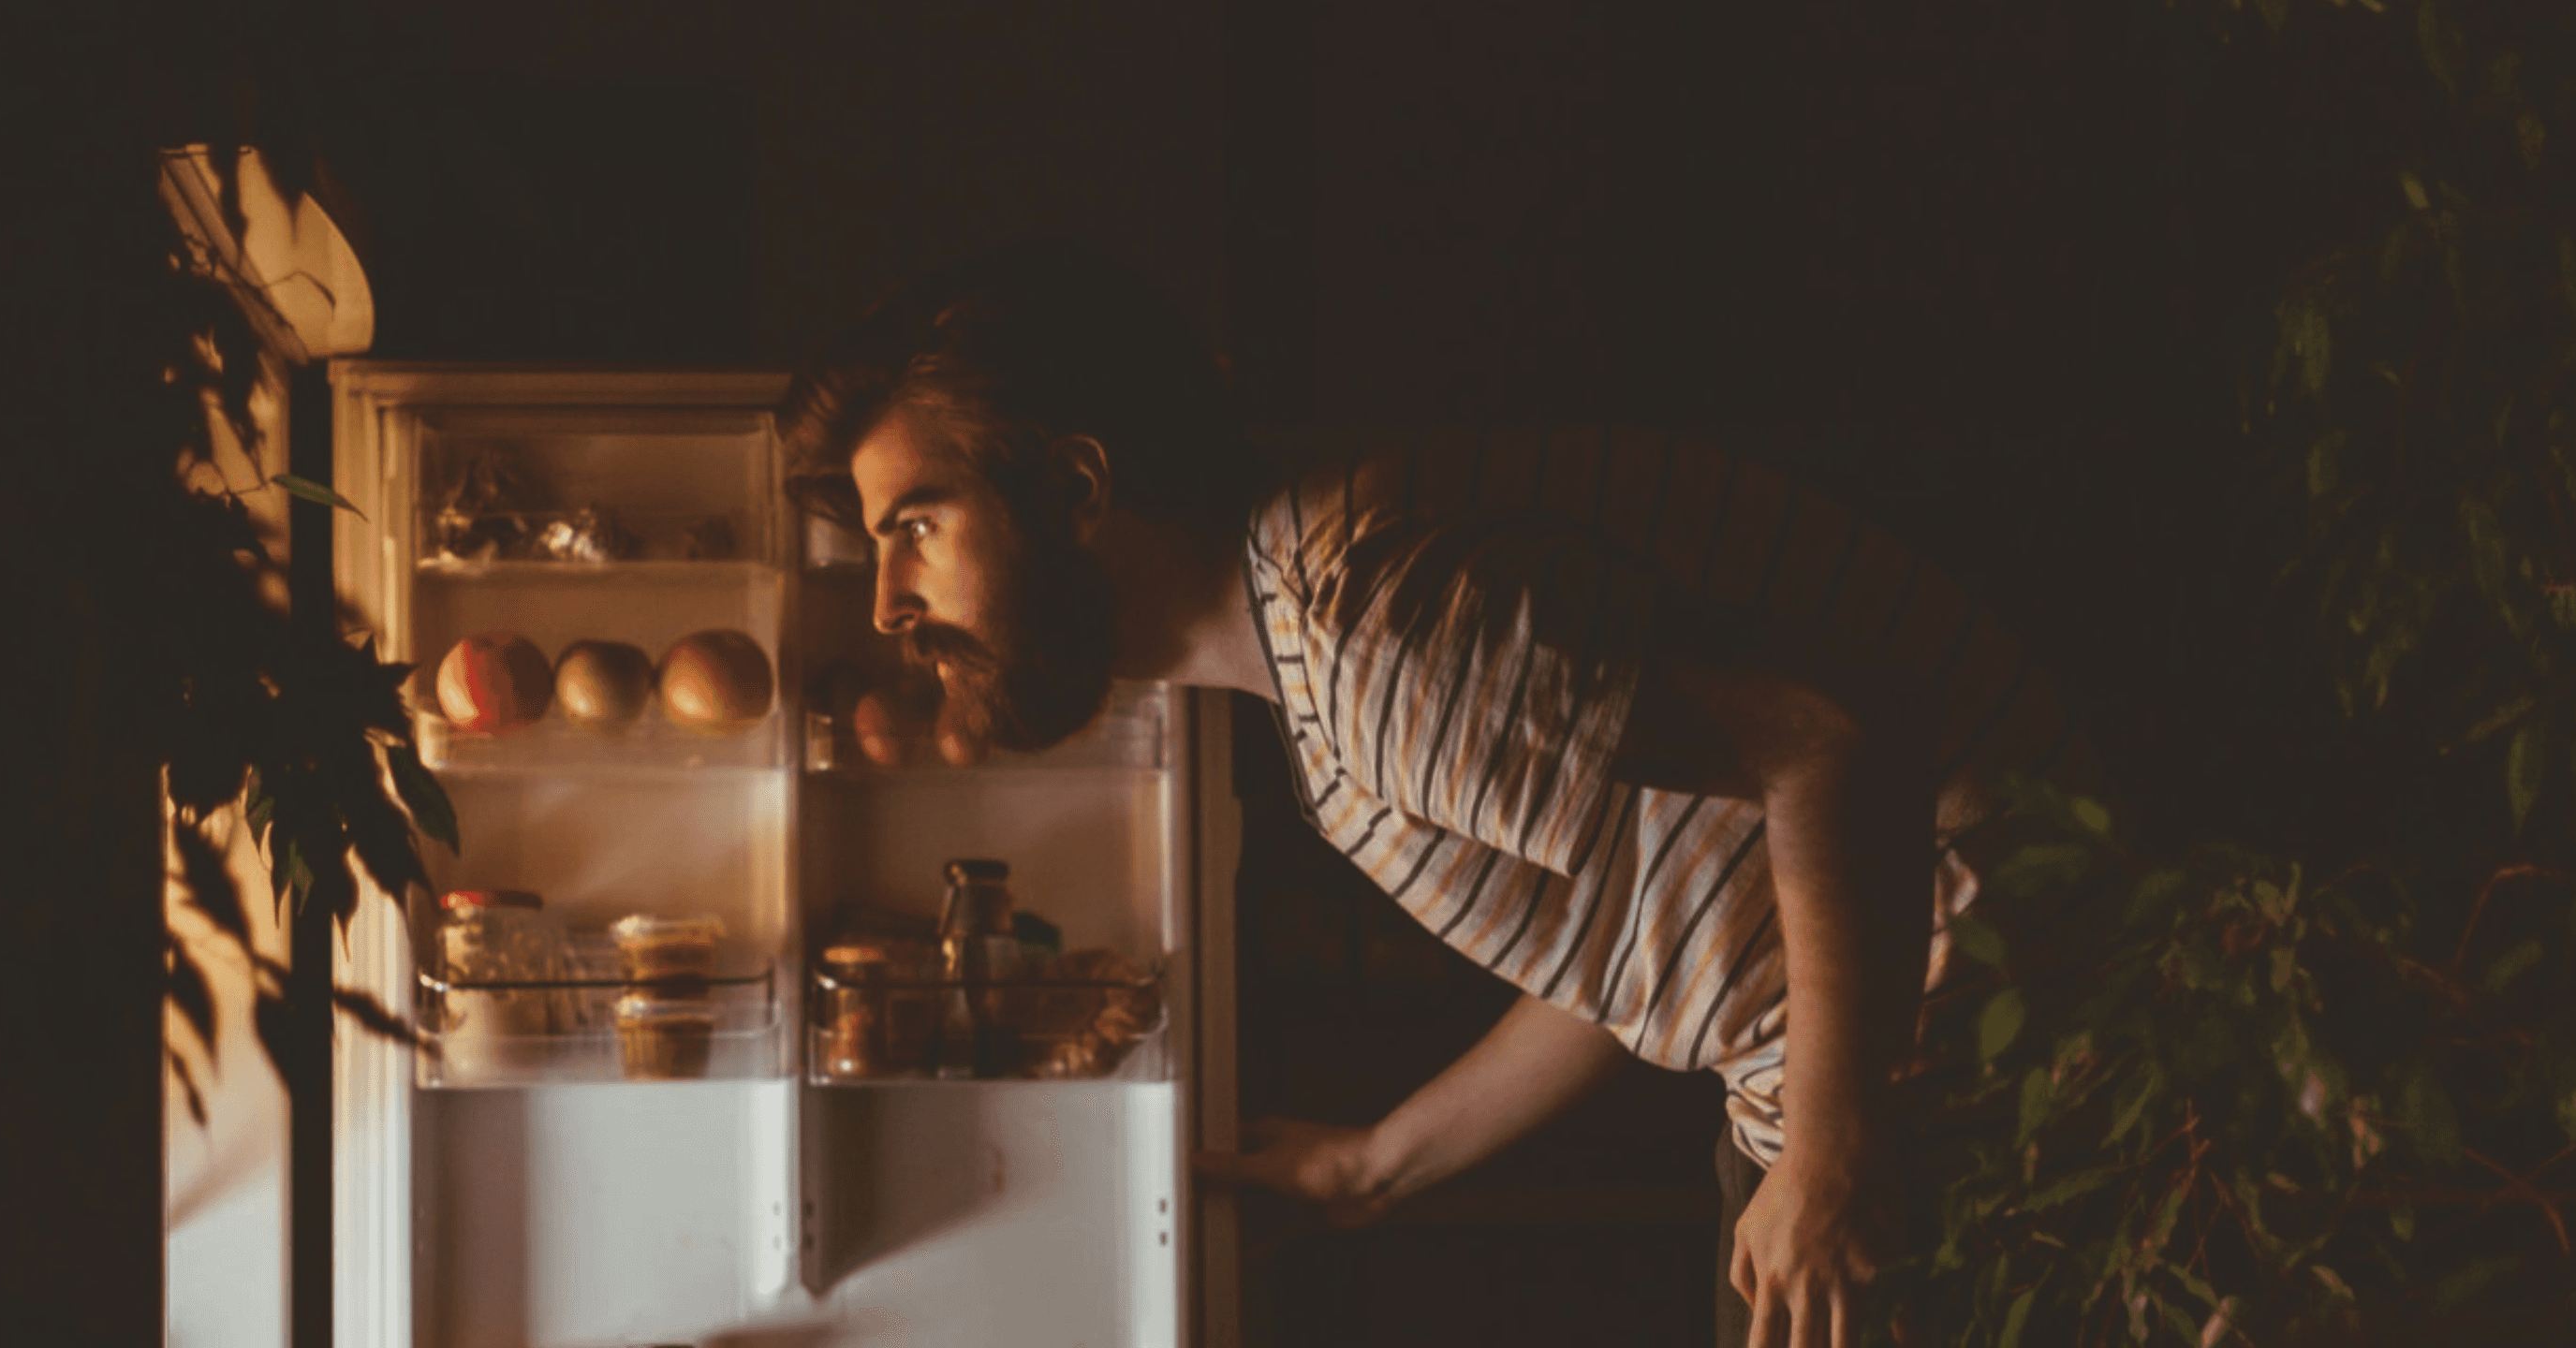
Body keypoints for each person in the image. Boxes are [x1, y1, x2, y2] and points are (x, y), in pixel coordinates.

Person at [779, 242, 2098, 1348]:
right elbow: (1647, 923)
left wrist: (1829, 1145)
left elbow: (1825, 735)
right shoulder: (1325, 618)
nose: (892, 605)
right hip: (1880, 1059)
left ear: (1076, 489)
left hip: (1970, 1058)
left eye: (916, 528)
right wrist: (1379, 1165)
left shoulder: (1379, 643)